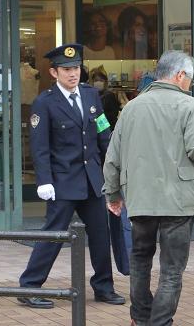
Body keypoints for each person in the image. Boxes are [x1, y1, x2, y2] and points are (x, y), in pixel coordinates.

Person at [103, 50, 194, 326]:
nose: (190, 84)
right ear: (180, 75)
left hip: (140, 198)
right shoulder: (189, 105)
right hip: (179, 200)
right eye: (190, 78)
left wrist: (113, 193)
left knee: (140, 260)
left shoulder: (132, 107)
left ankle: (140, 318)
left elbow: (112, 157)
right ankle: (160, 322)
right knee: (171, 269)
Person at [18, 43, 125, 309]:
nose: (73, 73)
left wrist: (113, 169)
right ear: (54, 73)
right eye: (66, 69)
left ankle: (104, 287)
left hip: (92, 180)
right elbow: (40, 147)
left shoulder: (90, 95)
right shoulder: (44, 102)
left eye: (76, 68)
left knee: (100, 236)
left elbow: (102, 133)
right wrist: (44, 181)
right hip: (63, 182)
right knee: (54, 236)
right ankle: (29, 286)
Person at [89, 66, 121, 130]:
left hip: (107, 129)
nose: (98, 82)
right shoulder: (90, 95)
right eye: (96, 80)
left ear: (105, 82)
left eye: (101, 80)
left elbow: (113, 115)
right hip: (93, 129)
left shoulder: (109, 96)